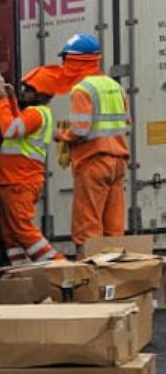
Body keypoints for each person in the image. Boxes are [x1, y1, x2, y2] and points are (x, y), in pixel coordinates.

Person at [55, 33, 131, 246]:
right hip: (118, 162)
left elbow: (80, 130)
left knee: (87, 224)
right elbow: (127, 125)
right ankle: (115, 263)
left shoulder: (83, 89)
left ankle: (89, 264)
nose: (63, 65)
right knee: (113, 225)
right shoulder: (116, 87)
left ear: (76, 60)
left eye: (65, 59)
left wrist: (61, 135)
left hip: (93, 161)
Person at [0, 69, 61, 263]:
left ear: (40, 95)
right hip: (15, 180)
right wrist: (11, 98)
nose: (23, 92)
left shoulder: (35, 113)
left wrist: (2, 101)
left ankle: (59, 265)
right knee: (11, 234)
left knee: (23, 230)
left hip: (19, 181)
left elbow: (10, 129)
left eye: (28, 90)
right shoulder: (38, 113)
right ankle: (21, 271)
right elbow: (18, 121)